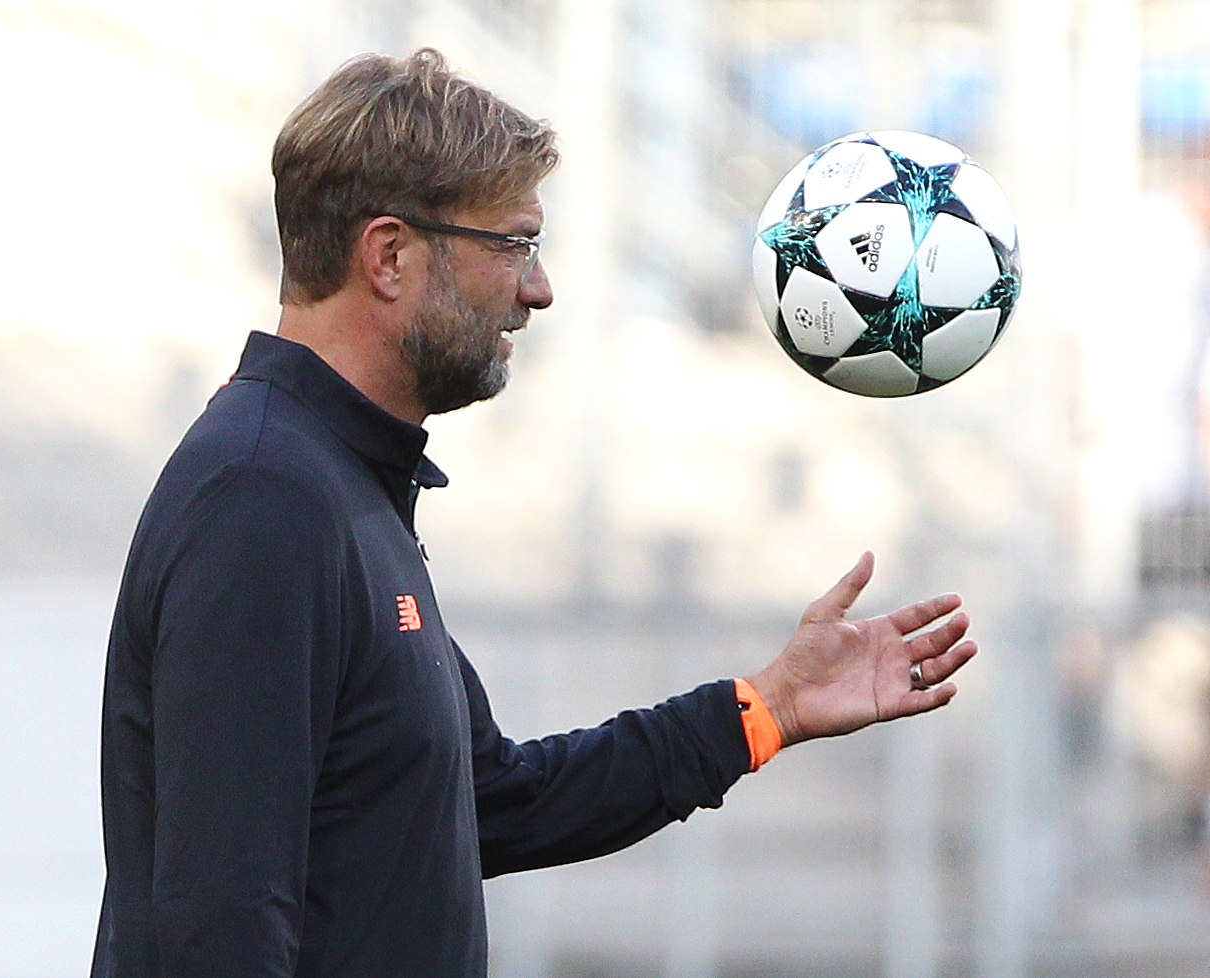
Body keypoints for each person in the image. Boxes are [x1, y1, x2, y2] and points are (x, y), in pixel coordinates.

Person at [89, 47, 977, 978]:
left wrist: (768, 709)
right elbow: (218, 926)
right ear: (389, 256)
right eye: (514, 244)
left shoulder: (338, 482)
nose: (538, 287)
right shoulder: (264, 495)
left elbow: (492, 801)